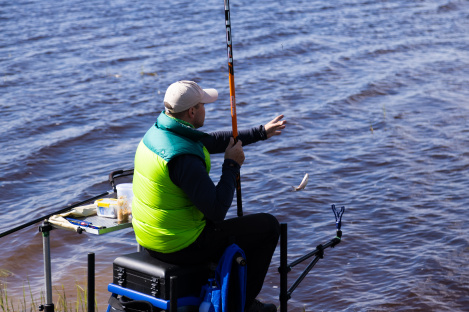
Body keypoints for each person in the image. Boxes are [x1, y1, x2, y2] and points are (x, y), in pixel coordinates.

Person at [131, 80, 286, 311]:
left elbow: (213, 140)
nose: (206, 109)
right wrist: (231, 165)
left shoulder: (160, 133)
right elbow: (216, 211)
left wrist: (260, 132)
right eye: (203, 105)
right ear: (192, 111)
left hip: (149, 239)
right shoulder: (183, 158)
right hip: (180, 245)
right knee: (268, 227)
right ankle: (241, 304)